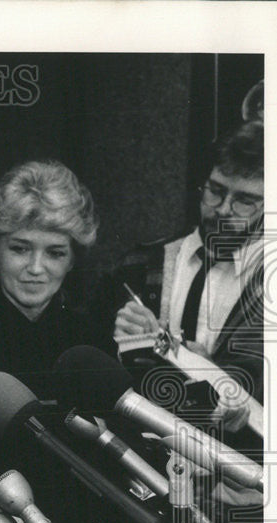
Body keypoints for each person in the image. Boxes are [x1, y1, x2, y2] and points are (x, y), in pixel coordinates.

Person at [110, 120, 265, 414]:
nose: (221, 209)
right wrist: (119, 338)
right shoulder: (139, 264)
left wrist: (212, 374)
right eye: (215, 191)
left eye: (244, 201)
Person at [0, 160, 106, 402]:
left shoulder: (94, 343)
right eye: (20, 249)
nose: (36, 268)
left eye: (55, 253)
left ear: (71, 261)